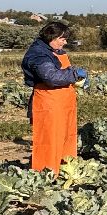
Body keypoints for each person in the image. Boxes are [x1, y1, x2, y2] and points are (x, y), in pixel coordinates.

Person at [21, 21, 88, 173]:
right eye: (62, 39)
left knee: (66, 136)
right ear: (52, 37)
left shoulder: (53, 51)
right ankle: (46, 173)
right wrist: (75, 74)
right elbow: (51, 77)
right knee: (49, 140)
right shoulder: (38, 54)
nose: (65, 43)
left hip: (63, 102)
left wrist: (76, 78)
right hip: (49, 103)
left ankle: (64, 168)